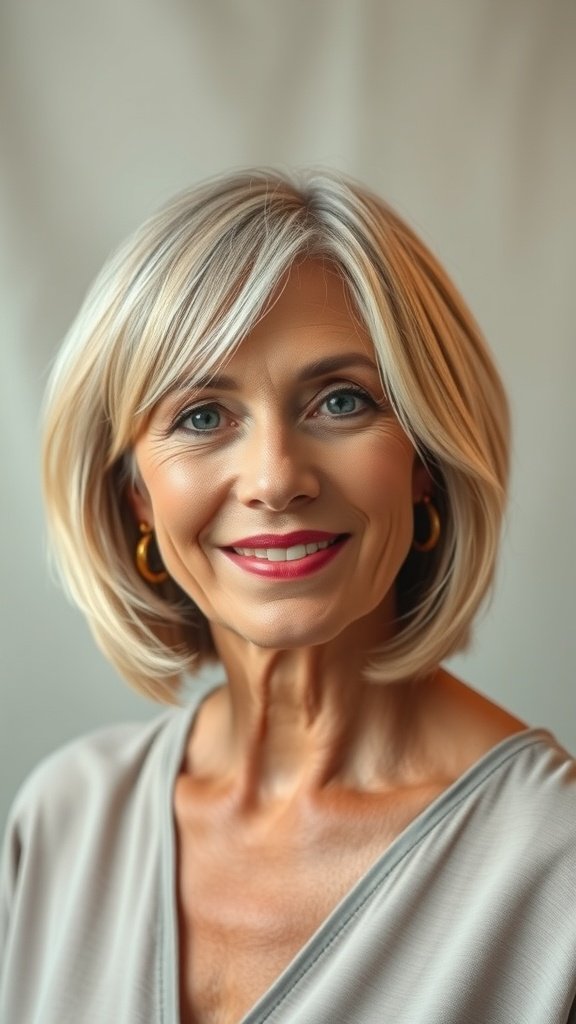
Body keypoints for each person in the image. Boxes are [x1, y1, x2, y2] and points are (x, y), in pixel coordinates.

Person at [1, 169, 575, 1024]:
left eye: (341, 401)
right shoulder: (63, 821)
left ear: (426, 463)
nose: (274, 479)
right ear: (134, 496)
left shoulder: (553, 867)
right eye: (201, 415)